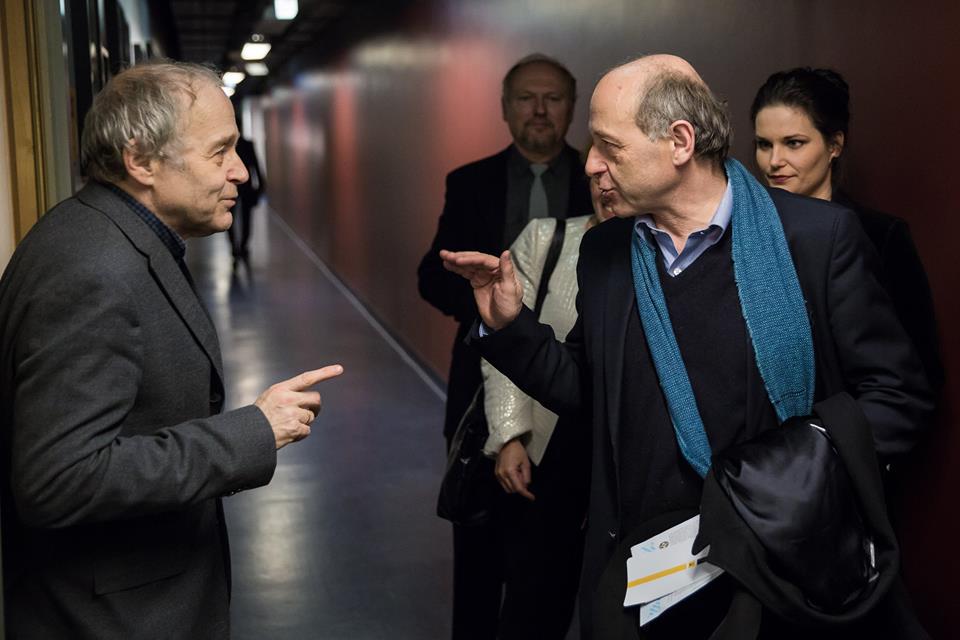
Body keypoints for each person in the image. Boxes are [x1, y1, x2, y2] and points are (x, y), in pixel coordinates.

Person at [441, 54, 933, 639]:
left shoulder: (815, 239)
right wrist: (510, 326)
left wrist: (793, 479)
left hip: (779, 567)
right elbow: (587, 389)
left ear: (679, 142)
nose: (591, 164)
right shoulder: (607, 253)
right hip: (648, 572)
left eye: (609, 146)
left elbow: (897, 396)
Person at [0, 61, 343, 638]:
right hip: (111, 619)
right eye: (219, 152)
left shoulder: (110, 234)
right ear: (141, 161)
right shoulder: (94, 270)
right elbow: (58, 479)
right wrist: (253, 431)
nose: (240, 171)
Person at [417, 53, 592, 639]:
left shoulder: (599, 178)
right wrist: (495, 314)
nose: (539, 110)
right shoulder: (471, 182)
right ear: (504, 108)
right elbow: (432, 276)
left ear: (572, 107)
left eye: (553, 98)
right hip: (480, 377)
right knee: (478, 545)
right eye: (525, 98)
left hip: (568, 389)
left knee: (549, 555)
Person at [751, 67, 943, 391]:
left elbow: (917, 372)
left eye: (794, 143)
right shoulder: (747, 235)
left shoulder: (882, 236)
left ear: (834, 145)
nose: (774, 161)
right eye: (764, 144)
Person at [480, 178, 614, 638]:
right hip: (550, 450)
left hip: (616, 462)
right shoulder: (547, 238)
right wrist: (511, 435)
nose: (604, 182)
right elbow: (510, 346)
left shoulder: (658, 248)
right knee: (535, 598)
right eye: (596, 172)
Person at [227, 131, 265, 260]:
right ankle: (240, 246)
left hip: (240, 187)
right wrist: (260, 187)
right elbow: (256, 167)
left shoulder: (236, 145)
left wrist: (260, 187)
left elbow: (256, 166)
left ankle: (237, 246)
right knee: (243, 218)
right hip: (243, 186)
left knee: (236, 218)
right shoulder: (246, 145)